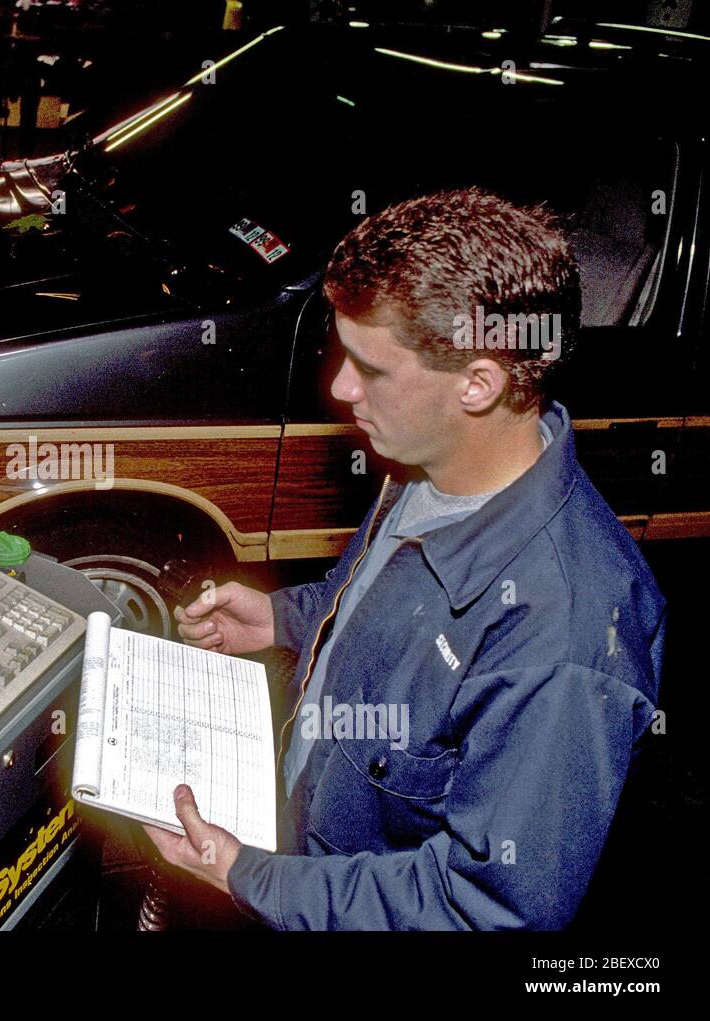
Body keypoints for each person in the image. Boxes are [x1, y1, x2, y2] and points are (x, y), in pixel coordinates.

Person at [146, 187, 666, 930]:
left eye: (372, 368)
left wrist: (248, 875)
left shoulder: (565, 638)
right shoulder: (426, 461)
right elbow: (385, 604)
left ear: (478, 383)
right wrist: (283, 618)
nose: (340, 386)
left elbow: (479, 907)